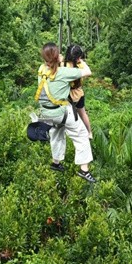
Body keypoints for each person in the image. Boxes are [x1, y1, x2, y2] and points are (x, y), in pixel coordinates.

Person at [35, 42, 96, 183]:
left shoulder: (41, 69)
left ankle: (56, 162)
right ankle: (84, 170)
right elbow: (88, 72)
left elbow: (52, 65)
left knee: (57, 132)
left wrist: (58, 60)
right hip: (61, 112)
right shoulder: (63, 72)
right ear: (57, 57)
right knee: (81, 135)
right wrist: (80, 61)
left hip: (45, 113)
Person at [63, 44, 93, 139]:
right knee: (83, 113)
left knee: (67, 114)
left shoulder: (63, 65)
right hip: (79, 93)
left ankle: (69, 133)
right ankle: (89, 132)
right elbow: (88, 72)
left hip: (67, 94)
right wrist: (82, 61)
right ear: (78, 57)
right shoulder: (80, 66)